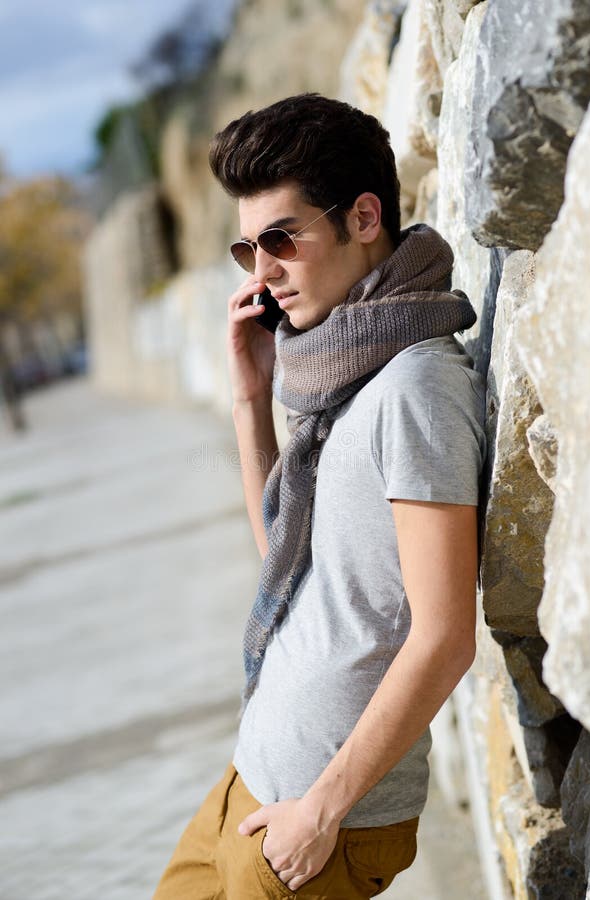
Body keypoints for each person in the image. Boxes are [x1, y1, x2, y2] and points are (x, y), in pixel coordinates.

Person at [154, 93, 486, 899]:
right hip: (248, 788)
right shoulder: (341, 376)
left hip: (313, 823)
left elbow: (444, 638)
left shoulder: (413, 388)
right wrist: (248, 399)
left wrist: (320, 812)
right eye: (247, 248)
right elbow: (294, 567)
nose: (263, 272)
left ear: (363, 216)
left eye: (282, 239)